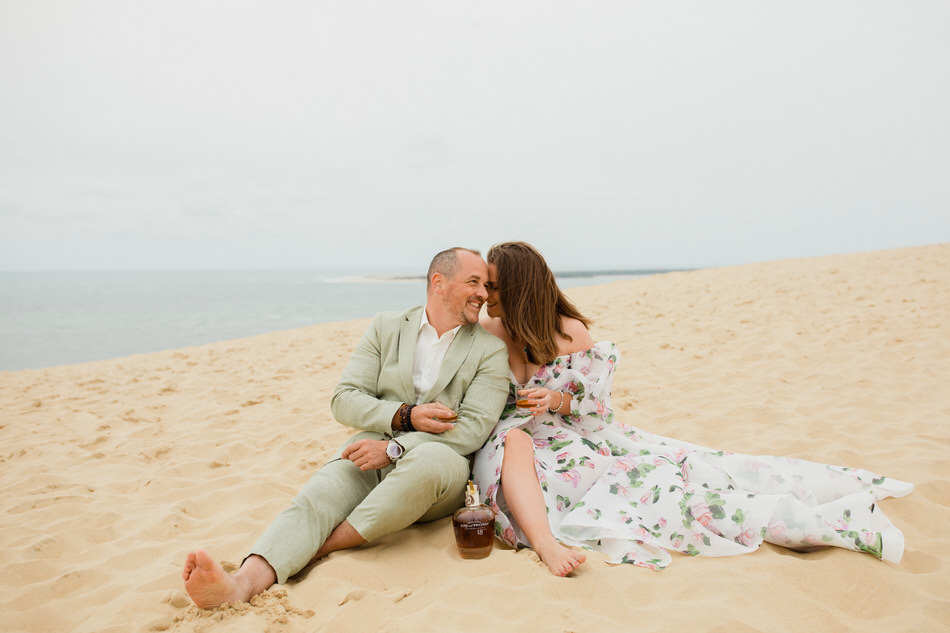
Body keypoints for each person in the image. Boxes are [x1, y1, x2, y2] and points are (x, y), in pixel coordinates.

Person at [473, 241, 913, 577]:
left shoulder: (570, 334)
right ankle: (546, 541)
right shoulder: (487, 331)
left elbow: (598, 408)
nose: (487, 293)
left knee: (672, 479)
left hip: (572, 436)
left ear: (518, 286)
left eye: (493, 285)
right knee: (519, 446)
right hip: (517, 440)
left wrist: (556, 399)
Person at [183, 247, 509, 608]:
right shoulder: (386, 327)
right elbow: (344, 398)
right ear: (439, 283)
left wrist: (395, 449)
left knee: (430, 461)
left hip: (441, 466)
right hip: (370, 449)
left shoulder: (489, 351)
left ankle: (312, 550)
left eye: (486, 285)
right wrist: (404, 416)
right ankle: (241, 583)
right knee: (319, 495)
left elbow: (473, 430)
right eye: (474, 282)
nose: (483, 293)